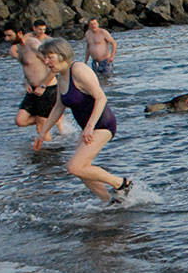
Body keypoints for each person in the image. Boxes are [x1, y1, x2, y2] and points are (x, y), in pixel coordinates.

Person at [33, 38, 132, 203]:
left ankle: (121, 184)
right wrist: (43, 133)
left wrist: (90, 127)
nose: (46, 61)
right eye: (44, 58)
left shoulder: (78, 69)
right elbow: (59, 106)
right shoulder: (61, 76)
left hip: (102, 124)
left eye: (49, 56)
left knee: (74, 167)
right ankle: (109, 202)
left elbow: (101, 97)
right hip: (89, 127)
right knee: (82, 170)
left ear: (62, 54)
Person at [6, 23, 64, 138]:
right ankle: (53, 118)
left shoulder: (33, 45)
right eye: (6, 36)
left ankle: (48, 152)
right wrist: (27, 81)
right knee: (20, 120)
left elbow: (54, 66)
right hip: (32, 89)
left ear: (19, 33)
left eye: (9, 35)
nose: (6, 39)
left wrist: (43, 85)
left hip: (47, 89)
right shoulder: (19, 47)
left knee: (41, 127)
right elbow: (27, 67)